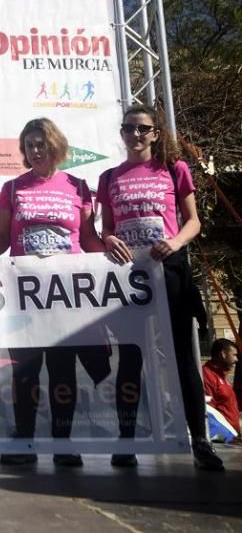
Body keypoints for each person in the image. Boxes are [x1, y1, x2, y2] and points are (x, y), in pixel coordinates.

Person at [99, 105, 224, 470]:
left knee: (183, 355)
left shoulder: (174, 169)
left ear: (156, 133)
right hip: (130, 275)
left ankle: (199, 440)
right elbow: (108, 228)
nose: (135, 135)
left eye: (142, 129)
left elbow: (194, 222)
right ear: (122, 134)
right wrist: (108, 239)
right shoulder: (109, 177)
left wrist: (175, 242)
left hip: (169, 270)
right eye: (128, 129)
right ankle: (126, 439)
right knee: (131, 355)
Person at [0, 118, 104, 468]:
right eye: (29, 145)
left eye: (41, 143)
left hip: (65, 295)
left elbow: (87, 240)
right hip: (24, 296)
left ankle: (63, 440)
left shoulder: (77, 186)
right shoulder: (12, 188)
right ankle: (24, 439)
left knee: (62, 371)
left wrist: (113, 251)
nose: (36, 150)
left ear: (55, 145)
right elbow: (0, 237)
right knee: (25, 370)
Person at [203, 339, 240, 442]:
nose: (237, 359)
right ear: (223, 354)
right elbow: (208, 412)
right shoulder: (207, 376)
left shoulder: (221, 377)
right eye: (234, 355)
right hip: (224, 440)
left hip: (233, 436)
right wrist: (224, 437)